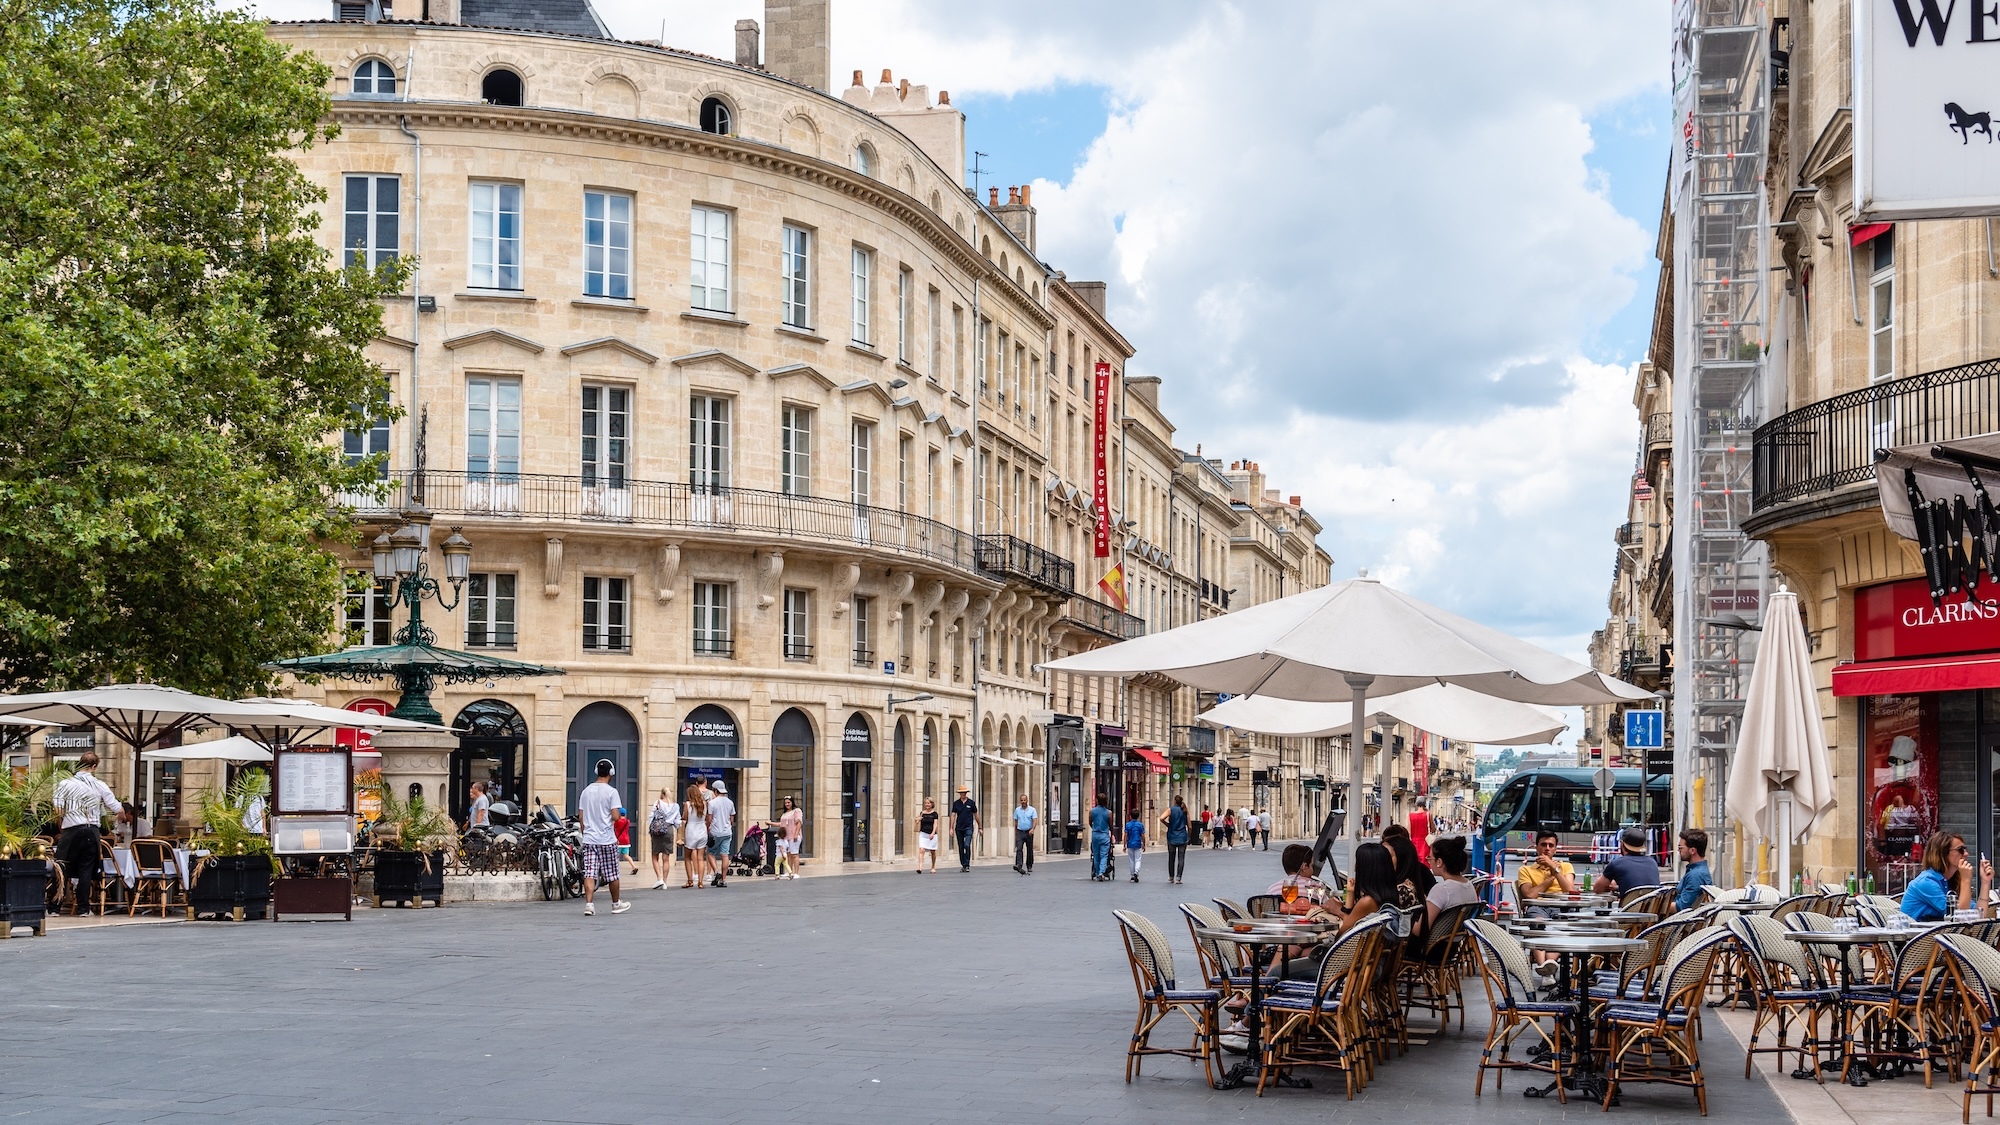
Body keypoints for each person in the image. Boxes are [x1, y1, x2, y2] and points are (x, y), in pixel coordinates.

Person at [53, 752, 121, 914]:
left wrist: (63, 824)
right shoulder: (99, 785)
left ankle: (54, 907)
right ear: (94, 767)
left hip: (71, 829)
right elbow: (117, 807)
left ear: (79, 764)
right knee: (86, 869)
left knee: (62, 867)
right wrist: (116, 818)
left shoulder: (65, 783)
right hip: (91, 830)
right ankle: (83, 909)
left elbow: (57, 807)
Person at [1515, 830, 1576, 976]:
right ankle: (1546, 969)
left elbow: (1570, 892)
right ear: (1536, 847)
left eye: (1550, 845)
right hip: (1538, 907)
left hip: (1562, 907)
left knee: (1560, 928)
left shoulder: (1565, 867)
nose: (1547, 848)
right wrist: (1549, 880)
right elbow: (1529, 895)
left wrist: (1554, 870)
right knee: (1538, 926)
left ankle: (1545, 971)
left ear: (1555, 849)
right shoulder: (1525, 870)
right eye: (1543, 845)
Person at [1901, 830, 1995, 922]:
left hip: (1942, 934)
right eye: (1960, 850)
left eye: (1965, 849)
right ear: (1943, 853)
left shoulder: (1951, 879)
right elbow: (1961, 919)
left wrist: (1985, 882)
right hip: (1918, 936)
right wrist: (1965, 880)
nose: (1966, 854)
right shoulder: (1926, 882)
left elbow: (1977, 914)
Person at [576, 760, 629, 916]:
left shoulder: (586, 791)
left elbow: (581, 817)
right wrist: (617, 815)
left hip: (590, 839)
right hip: (606, 839)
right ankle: (615, 904)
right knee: (612, 874)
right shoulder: (612, 792)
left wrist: (585, 831)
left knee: (590, 873)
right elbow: (615, 816)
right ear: (610, 773)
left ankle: (589, 905)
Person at [1321, 840, 1400, 933]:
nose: (1355, 868)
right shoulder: (1390, 895)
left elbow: (1343, 933)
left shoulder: (1368, 901)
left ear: (1366, 869)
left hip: (1354, 947)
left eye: (1358, 863)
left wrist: (1349, 897)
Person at [1424, 836, 1481, 926]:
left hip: (1436, 939)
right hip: (1457, 938)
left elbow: (1422, 928)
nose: (1429, 862)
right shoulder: (1470, 885)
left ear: (1439, 862)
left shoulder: (1441, 890)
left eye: (1430, 858)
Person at [1592, 827, 1662, 899]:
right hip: (1652, 907)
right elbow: (1641, 887)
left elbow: (1598, 889)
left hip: (1630, 907)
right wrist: (1617, 888)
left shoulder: (1617, 864)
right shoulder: (1652, 862)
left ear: (1622, 844)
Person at [1673, 828, 1714, 911]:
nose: (1678, 850)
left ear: (1692, 850)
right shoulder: (1698, 871)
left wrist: (1659, 906)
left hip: (1677, 921)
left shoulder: (1695, 875)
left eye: (1681, 847)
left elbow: (1681, 907)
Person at [647, 787, 680, 890]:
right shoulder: (675, 806)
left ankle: (659, 878)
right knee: (666, 858)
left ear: (662, 794)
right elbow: (677, 821)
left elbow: (651, 816)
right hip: (669, 830)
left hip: (657, 830)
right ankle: (665, 882)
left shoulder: (658, 803)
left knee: (654, 855)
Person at [707, 779, 736, 887]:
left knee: (710, 853)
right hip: (727, 832)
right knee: (725, 855)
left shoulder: (712, 803)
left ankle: (716, 872)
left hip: (715, 832)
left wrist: (708, 829)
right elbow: (732, 819)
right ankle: (723, 879)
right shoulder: (730, 802)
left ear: (715, 790)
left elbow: (709, 819)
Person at [681, 782, 710, 889]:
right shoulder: (705, 804)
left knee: (688, 857)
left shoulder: (688, 805)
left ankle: (690, 880)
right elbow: (707, 818)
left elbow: (685, 818)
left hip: (691, 831)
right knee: (701, 858)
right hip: (702, 831)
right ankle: (701, 882)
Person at [1161, 795, 1190, 884]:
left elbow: (1161, 818)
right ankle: (1179, 877)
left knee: (1171, 857)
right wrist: (1189, 836)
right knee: (1181, 858)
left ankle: (1171, 877)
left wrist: (1167, 824)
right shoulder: (1185, 810)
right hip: (1182, 836)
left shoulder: (1170, 809)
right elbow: (1190, 825)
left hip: (1172, 835)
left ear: (1174, 801)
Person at [950, 785, 979, 872]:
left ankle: (967, 864)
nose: (963, 794)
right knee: (961, 846)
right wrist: (951, 828)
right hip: (959, 828)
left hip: (968, 827)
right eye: (961, 793)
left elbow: (976, 815)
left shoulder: (971, 803)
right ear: (959, 794)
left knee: (967, 844)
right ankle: (963, 864)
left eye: (964, 792)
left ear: (966, 793)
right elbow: (953, 815)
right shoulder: (956, 804)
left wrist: (980, 826)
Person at [778, 795, 805, 879]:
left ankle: (796, 873)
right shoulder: (785, 814)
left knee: (794, 854)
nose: (787, 804)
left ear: (792, 802)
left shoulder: (796, 811)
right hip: (787, 837)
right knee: (788, 855)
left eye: (788, 802)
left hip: (794, 836)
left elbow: (799, 822)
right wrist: (771, 823)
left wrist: (796, 834)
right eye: (785, 803)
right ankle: (789, 871)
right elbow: (781, 824)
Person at [1088, 795, 1114, 881]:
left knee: (1096, 855)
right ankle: (1101, 872)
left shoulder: (1092, 811)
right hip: (1104, 835)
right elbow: (1110, 825)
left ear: (1097, 800)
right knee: (1104, 855)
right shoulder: (1109, 812)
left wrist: (1095, 828)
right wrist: (1111, 833)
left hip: (1095, 834)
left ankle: (1097, 872)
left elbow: (1090, 822)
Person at [1012, 794, 1038, 874]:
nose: (1023, 802)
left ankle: (1029, 865)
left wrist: (1032, 829)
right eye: (1021, 800)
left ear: (1027, 801)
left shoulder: (1032, 810)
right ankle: (1019, 864)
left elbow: (1034, 820)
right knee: (1019, 848)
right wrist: (1016, 832)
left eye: (1024, 800)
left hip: (1029, 832)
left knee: (1029, 849)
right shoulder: (1017, 810)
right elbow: (1016, 822)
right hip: (1020, 831)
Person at [914, 797, 939, 874]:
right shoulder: (922, 813)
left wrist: (932, 833)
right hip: (923, 833)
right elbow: (917, 822)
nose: (927, 804)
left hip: (932, 834)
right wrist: (918, 819)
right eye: (926, 803)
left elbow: (935, 824)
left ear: (932, 804)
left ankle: (933, 866)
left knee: (932, 851)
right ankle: (920, 867)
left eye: (928, 803)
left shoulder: (935, 814)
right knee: (922, 850)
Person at [1124, 808, 1146, 882]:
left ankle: (1132, 874)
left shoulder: (1128, 825)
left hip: (1130, 844)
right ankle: (1136, 871)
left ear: (1130, 816)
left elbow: (1125, 835)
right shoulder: (1140, 825)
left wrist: (1124, 845)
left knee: (1131, 860)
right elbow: (1142, 835)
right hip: (1138, 843)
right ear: (1138, 816)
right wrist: (1144, 844)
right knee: (1138, 859)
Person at [1408, 798, 1431, 863]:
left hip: (1414, 843)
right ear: (1424, 804)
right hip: (1425, 843)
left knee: (1415, 862)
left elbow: (1409, 831)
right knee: (1425, 863)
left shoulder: (1410, 815)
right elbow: (1433, 828)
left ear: (1416, 804)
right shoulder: (1428, 814)